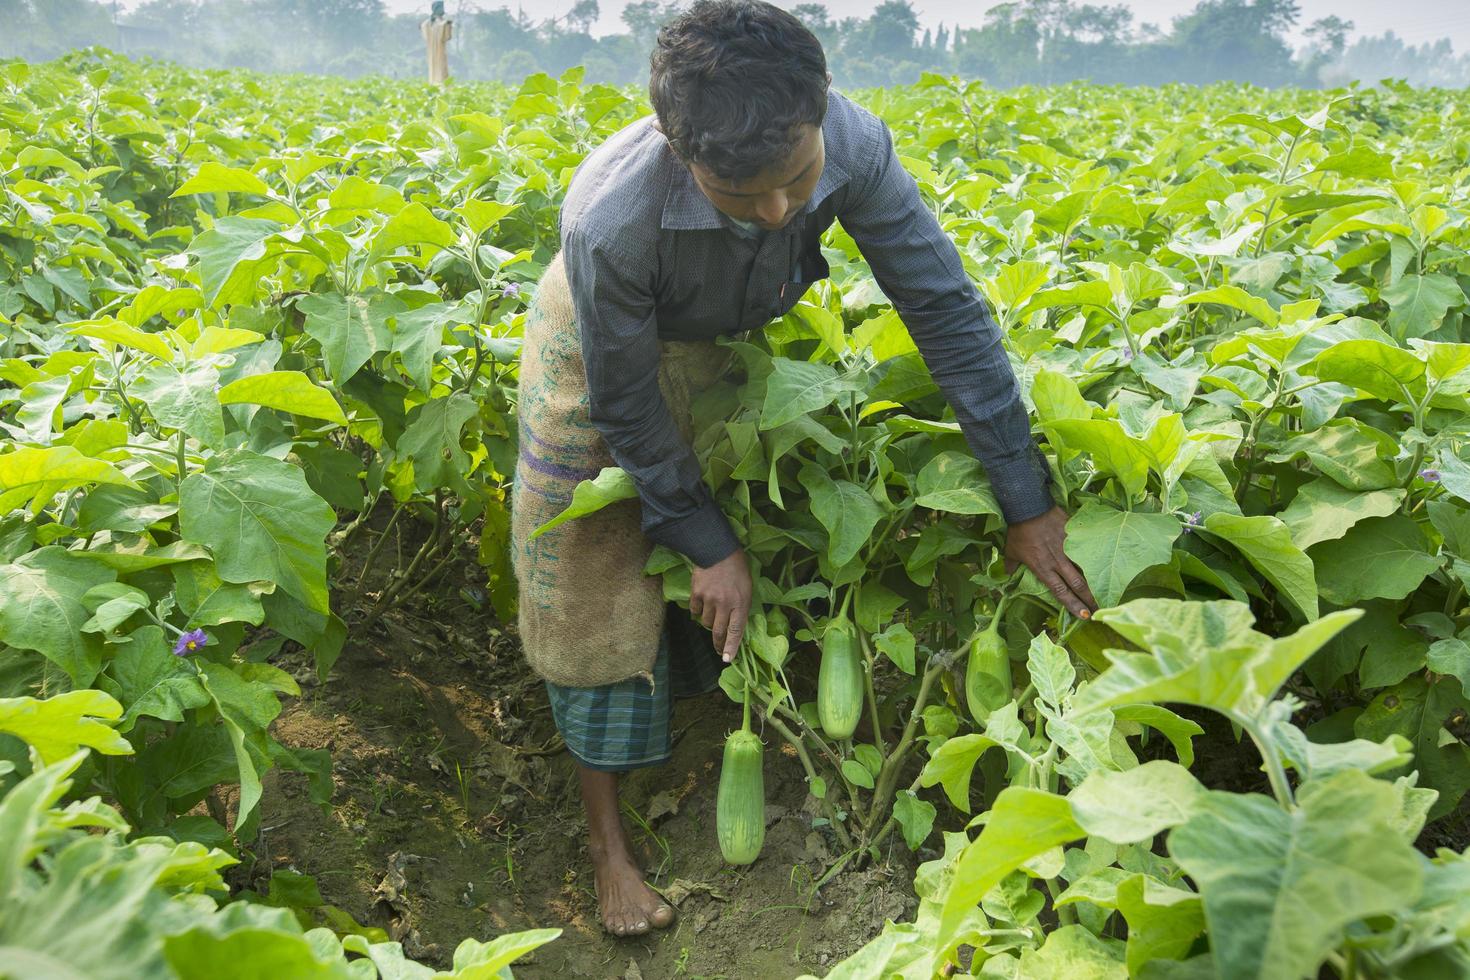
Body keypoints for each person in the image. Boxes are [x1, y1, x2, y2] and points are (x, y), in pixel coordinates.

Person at [509, 0, 1098, 938]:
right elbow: (627, 406)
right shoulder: (610, 225)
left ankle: (692, 723)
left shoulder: (854, 147)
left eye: (797, 181)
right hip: (594, 351)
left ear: (819, 117)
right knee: (589, 569)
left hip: (719, 340)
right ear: (679, 150)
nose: (781, 213)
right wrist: (704, 541)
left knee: (723, 528)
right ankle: (606, 846)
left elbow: (944, 312)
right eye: (742, 199)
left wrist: (1023, 499)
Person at [421, 1, 452, 85]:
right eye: (441, 8)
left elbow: (446, 37)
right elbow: (426, 28)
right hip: (432, 50)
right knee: (434, 67)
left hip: (440, 49)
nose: (443, 10)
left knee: (442, 68)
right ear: (436, 9)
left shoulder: (440, 21)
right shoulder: (429, 22)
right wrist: (445, 24)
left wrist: (447, 25)